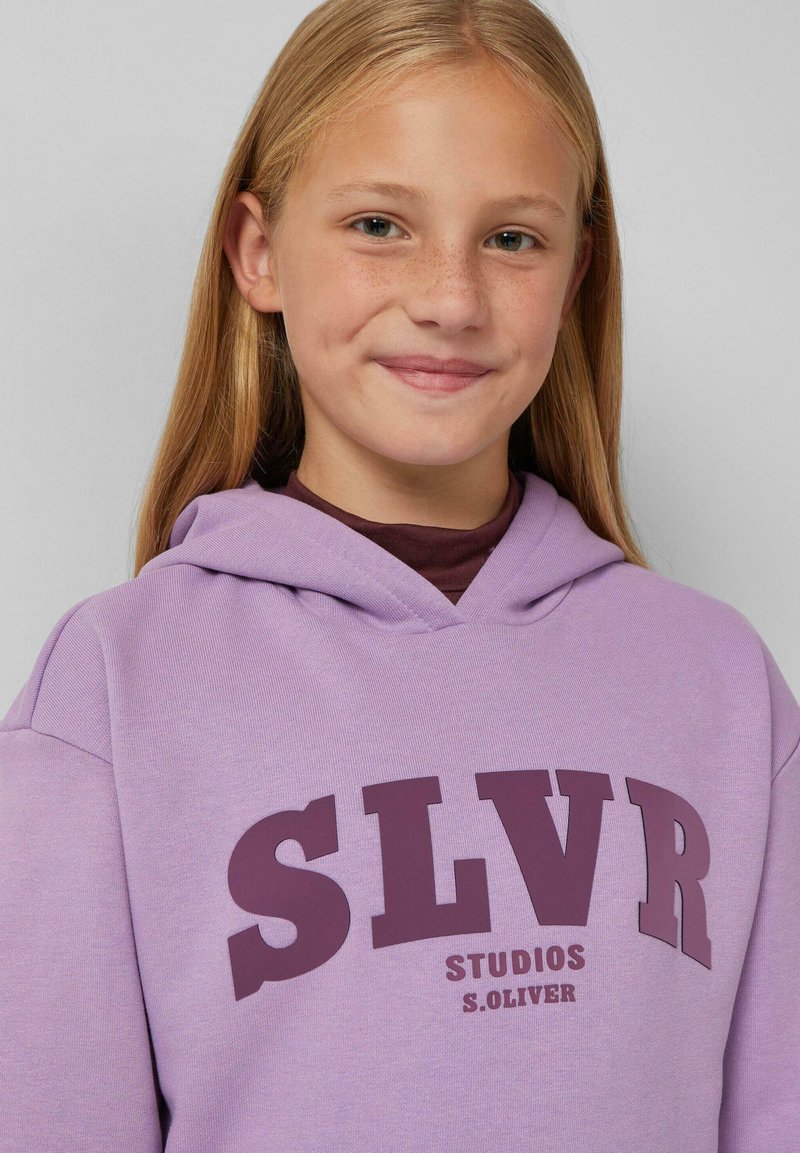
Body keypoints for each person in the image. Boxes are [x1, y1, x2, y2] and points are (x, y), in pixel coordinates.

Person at [1, 0, 798, 1150]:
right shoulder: (114, 687)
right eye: (379, 224)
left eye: (511, 238)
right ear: (258, 252)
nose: (449, 299)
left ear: (575, 273)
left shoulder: (718, 681)